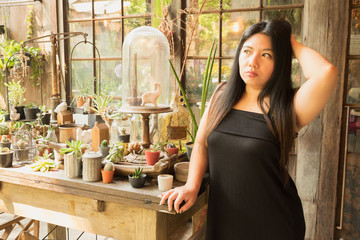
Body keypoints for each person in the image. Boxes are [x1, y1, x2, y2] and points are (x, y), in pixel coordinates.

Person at [160, 19, 338, 239]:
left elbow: (326, 72)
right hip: (225, 219)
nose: (252, 62)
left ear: (280, 61)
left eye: (267, 55)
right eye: (247, 51)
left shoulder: (289, 105)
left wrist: (287, 40)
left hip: (274, 224)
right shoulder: (222, 94)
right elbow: (200, 142)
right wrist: (192, 186)